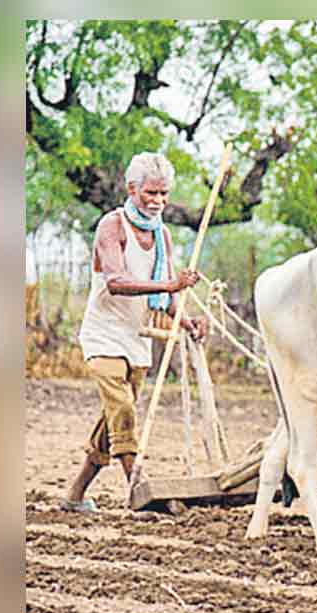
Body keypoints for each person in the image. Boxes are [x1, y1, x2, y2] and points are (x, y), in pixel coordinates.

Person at [62, 152, 208, 512]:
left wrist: (186, 320)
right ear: (132, 189)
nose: (158, 202)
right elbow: (116, 281)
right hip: (103, 335)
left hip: (138, 339)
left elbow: (165, 295)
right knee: (123, 407)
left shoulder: (163, 236)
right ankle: (140, 488)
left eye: (164, 194)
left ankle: (75, 495)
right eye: (151, 194)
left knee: (114, 417)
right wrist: (171, 283)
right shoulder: (112, 226)